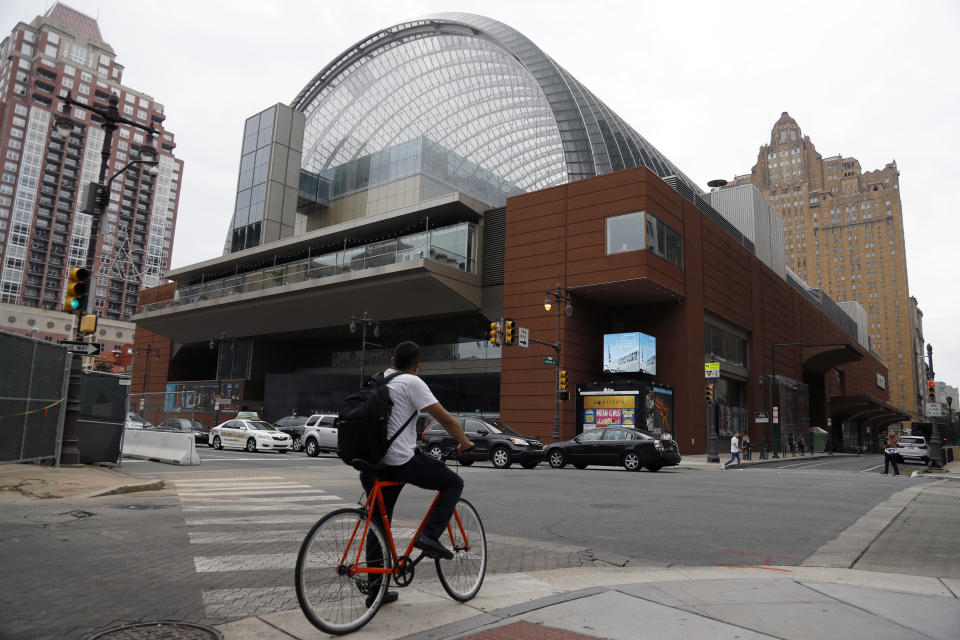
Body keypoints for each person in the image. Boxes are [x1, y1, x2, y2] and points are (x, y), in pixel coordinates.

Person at [360, 341, 474, 607]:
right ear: (417, 366)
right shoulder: (412, 382)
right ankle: (430, 536)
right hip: (400, 461)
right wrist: (465, 442)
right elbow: (445, 419)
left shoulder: (378, 380)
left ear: (391, 360)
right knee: (453, 483)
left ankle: (375, 591)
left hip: (372, 463)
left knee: (377, 525)